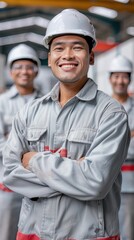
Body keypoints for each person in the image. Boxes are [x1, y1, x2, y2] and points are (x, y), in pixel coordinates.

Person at [3, 9, 130, 240]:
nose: (68, 55)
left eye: (77, 47)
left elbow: (95, 183)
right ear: (50, 57)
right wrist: (75, 175)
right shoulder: (30, 112)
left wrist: (34, 160)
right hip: (32, 233)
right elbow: (10, 173)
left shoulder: (111, 114)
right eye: (59, 48)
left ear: (91, 57)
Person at [0, 43, 42, 240]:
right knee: (7, 231)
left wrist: (13, 141)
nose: (24, 71)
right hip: (9, 184)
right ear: (10, 71)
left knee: (38, 233)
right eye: (18, 67)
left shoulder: (48, 102)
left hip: (41, 184)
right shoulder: (2, 103)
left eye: (28, 67)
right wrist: (28, 153)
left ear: (36, 70)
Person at [109, 54, 134, 240]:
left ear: (130, 79)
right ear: (110, 78)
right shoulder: (101, 107)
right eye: (116, 76)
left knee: (127, 229)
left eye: (124, 76)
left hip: (130, 182)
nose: (120, 81)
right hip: (105, 180)